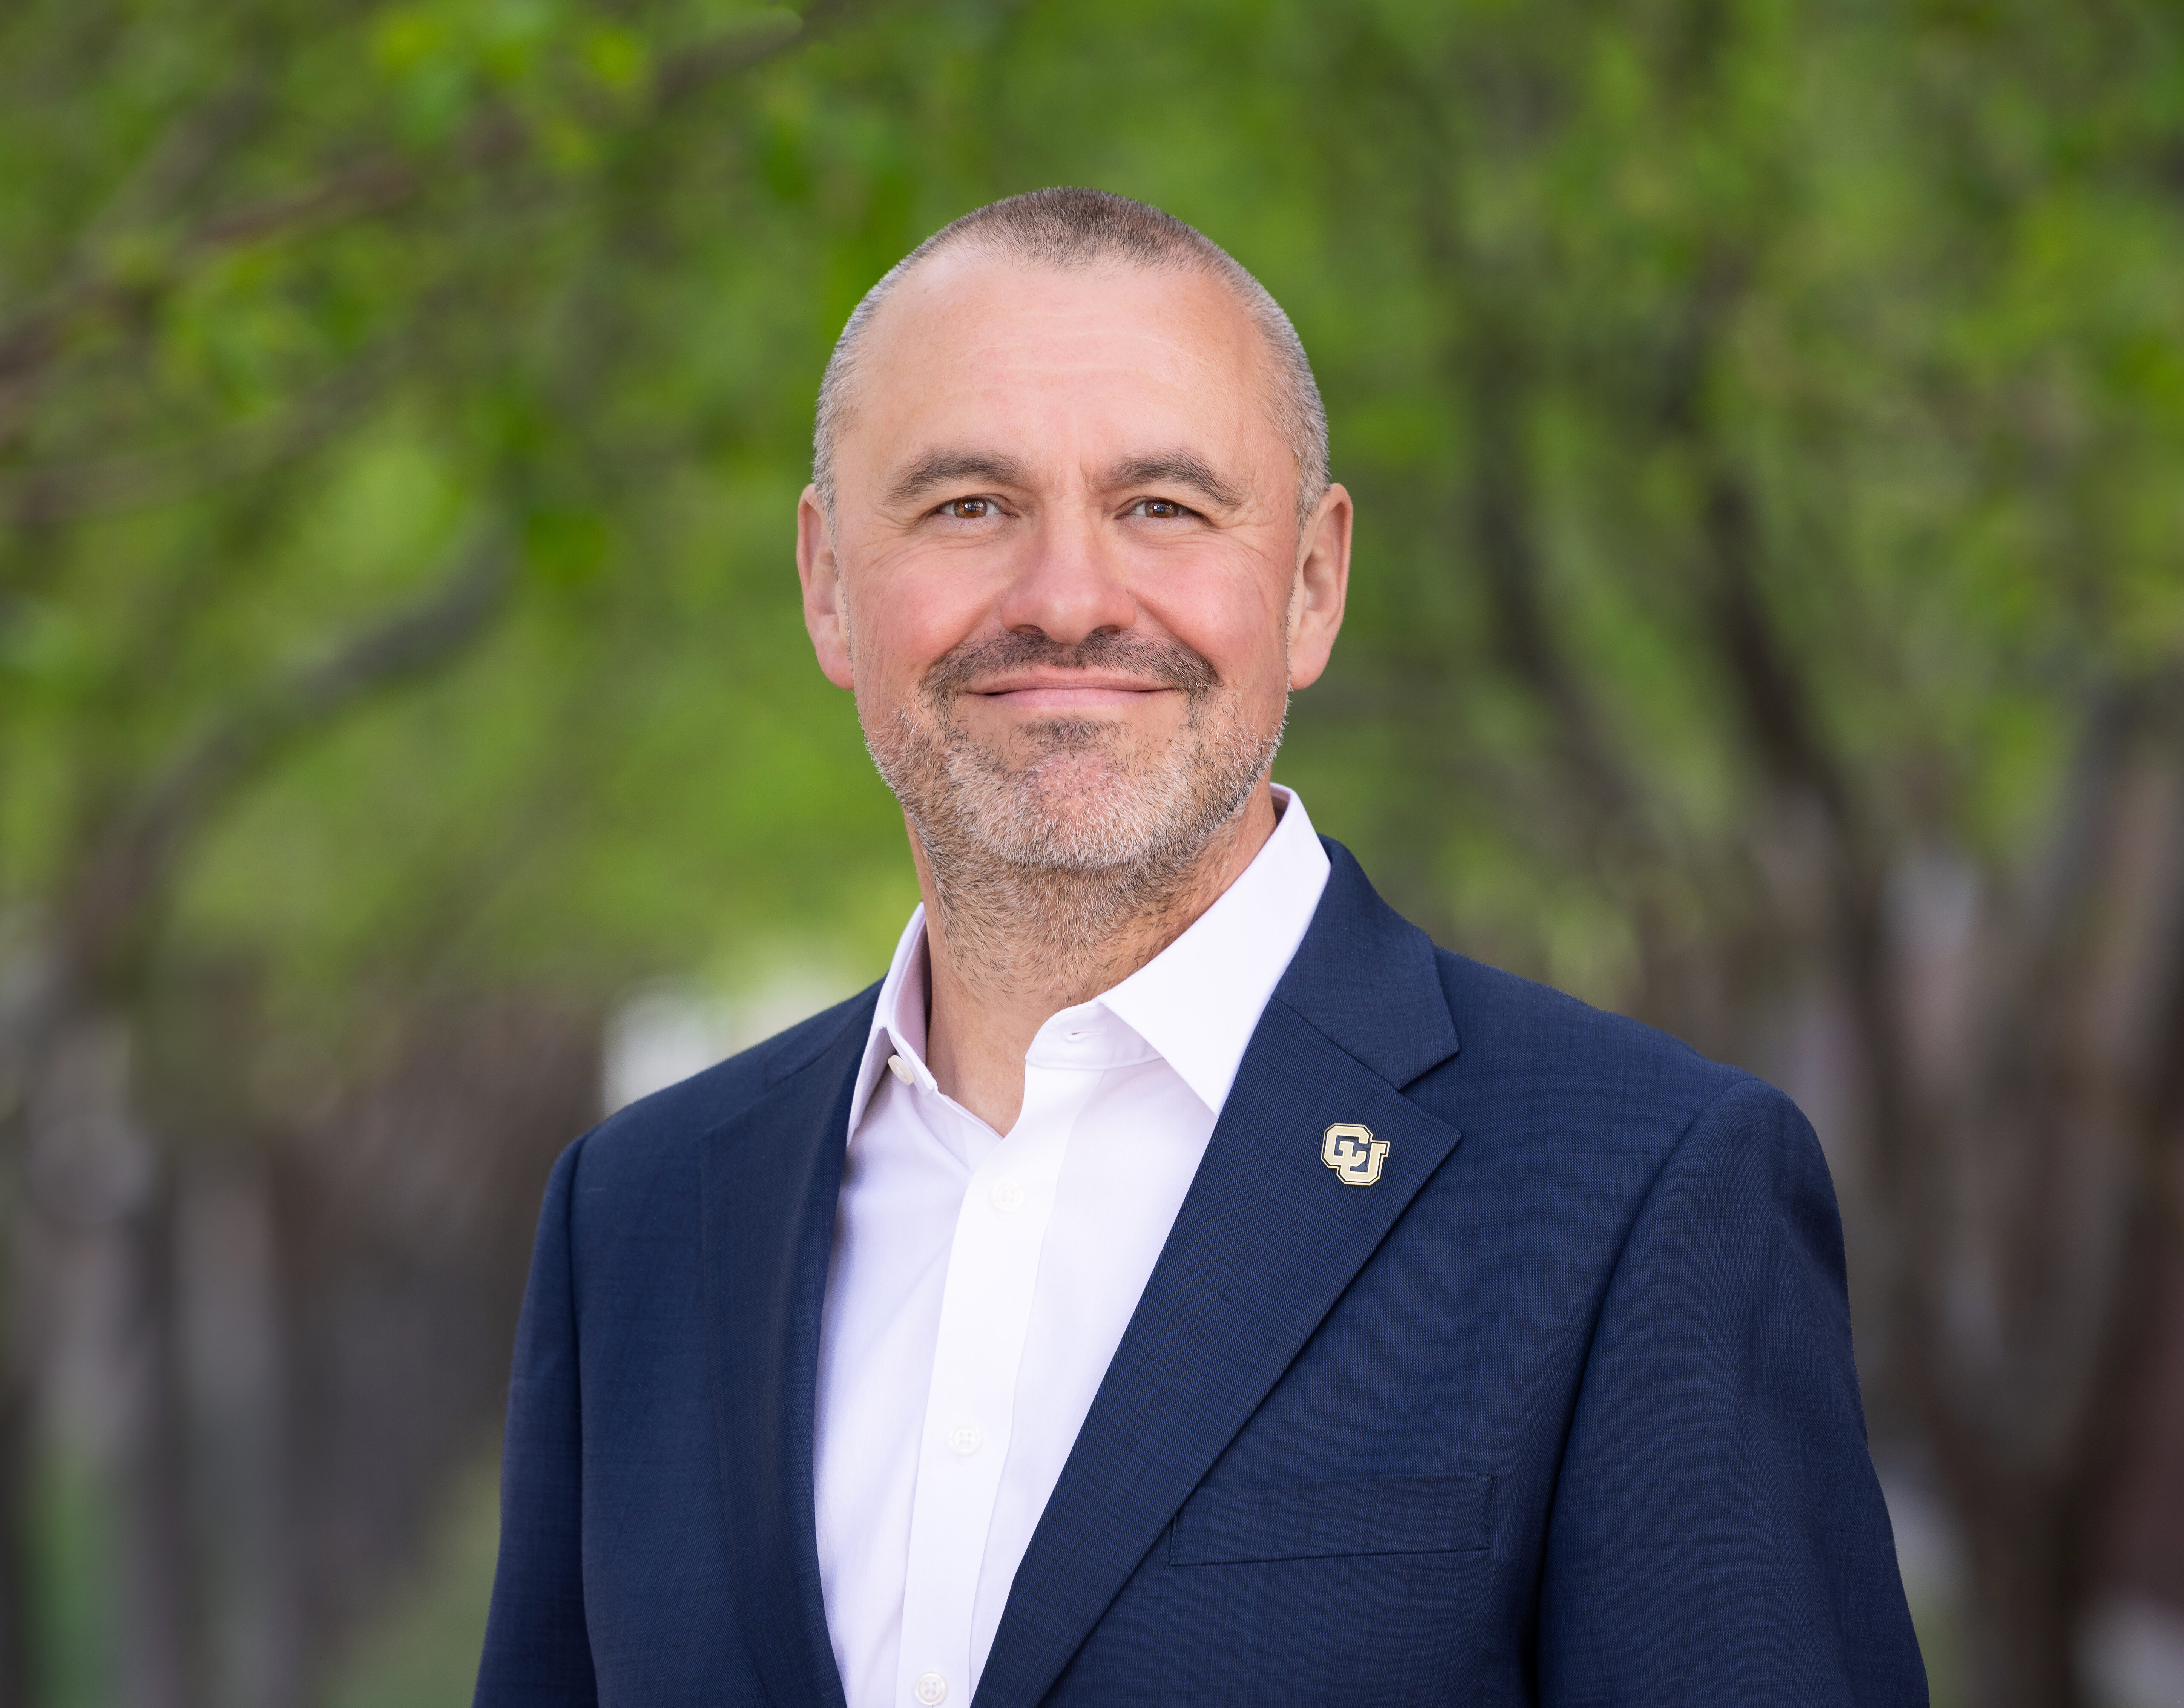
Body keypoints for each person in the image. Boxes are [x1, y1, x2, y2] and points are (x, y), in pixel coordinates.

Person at [474, 187, 1927, 1708]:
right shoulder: (637, 1216)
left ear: (1310, 584)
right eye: (967, 504)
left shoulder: (1641, 1192)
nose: (1066, 600)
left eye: (1162, 506)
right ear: (829, 584)